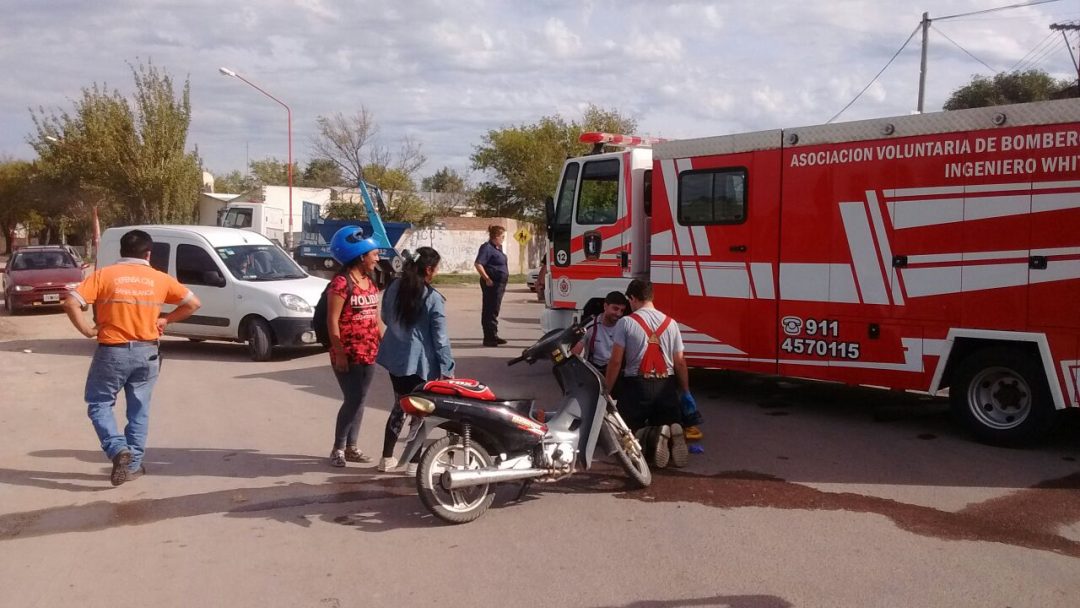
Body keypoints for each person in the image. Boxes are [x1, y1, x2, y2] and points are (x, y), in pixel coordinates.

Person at [62, 229, 202, 486]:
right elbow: (193, 303)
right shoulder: (159, 279)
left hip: (112, 352)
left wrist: (87, 331)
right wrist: (166, 319)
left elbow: (71, 302)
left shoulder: (104, 276)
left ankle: (117, 449)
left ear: (122, 251)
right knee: (139, 410)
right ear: (148, 253)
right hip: (147, 352)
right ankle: (133, 465)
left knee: (99, 403)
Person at [375, 247, 456, 474]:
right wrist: (448, 368)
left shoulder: (393, 287)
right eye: (436, 269)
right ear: (429, 269)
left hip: (395, 356)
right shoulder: (432, 298)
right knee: (420, 411)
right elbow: (440, 339)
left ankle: (386, 458)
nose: (436, 273)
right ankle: (413, 463)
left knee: (400, 405)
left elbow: (385, 317)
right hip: (420, 363)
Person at [604, 279, 694, 470]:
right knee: (666, 421)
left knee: (627, 432)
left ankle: (649, 436)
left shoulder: (626, 323)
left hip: (637, 386)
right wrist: (685, 391)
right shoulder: (672, 324)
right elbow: (680, 362)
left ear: (633, 298)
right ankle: (668, 432)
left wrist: (607, 391)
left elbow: (616, 362)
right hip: (666, 387)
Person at [326, 226, 383, 468]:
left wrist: (387, 343)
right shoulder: (341, 283)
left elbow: (374, 317)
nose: (377, 258)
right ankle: (338, 448)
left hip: (369, 352)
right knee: (353, 399)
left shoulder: (369, 281)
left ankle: (352, 447)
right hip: (348, 353)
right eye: (374, 254)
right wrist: (339, 353)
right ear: (361, 255)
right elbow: (332, 320)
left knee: (360, 400)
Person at [571, 291, 630, 376]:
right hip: (594, 371)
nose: (619, 314)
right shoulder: (590, 325)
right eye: (615, 309)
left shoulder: (624, 327)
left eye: (622, 310)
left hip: (616, 371)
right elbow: (575, 352)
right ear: (605, 306)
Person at [474, 225, 508, 347]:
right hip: (491, 283)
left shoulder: (498, 248)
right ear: (496, 236)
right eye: (502, 236)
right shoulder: (486, 248)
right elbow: (478, 264)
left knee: (495, 309)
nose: (503, 239)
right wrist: (487, 278)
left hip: (499, 284)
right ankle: (489, 338)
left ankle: (494, 334)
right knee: (490, 310)